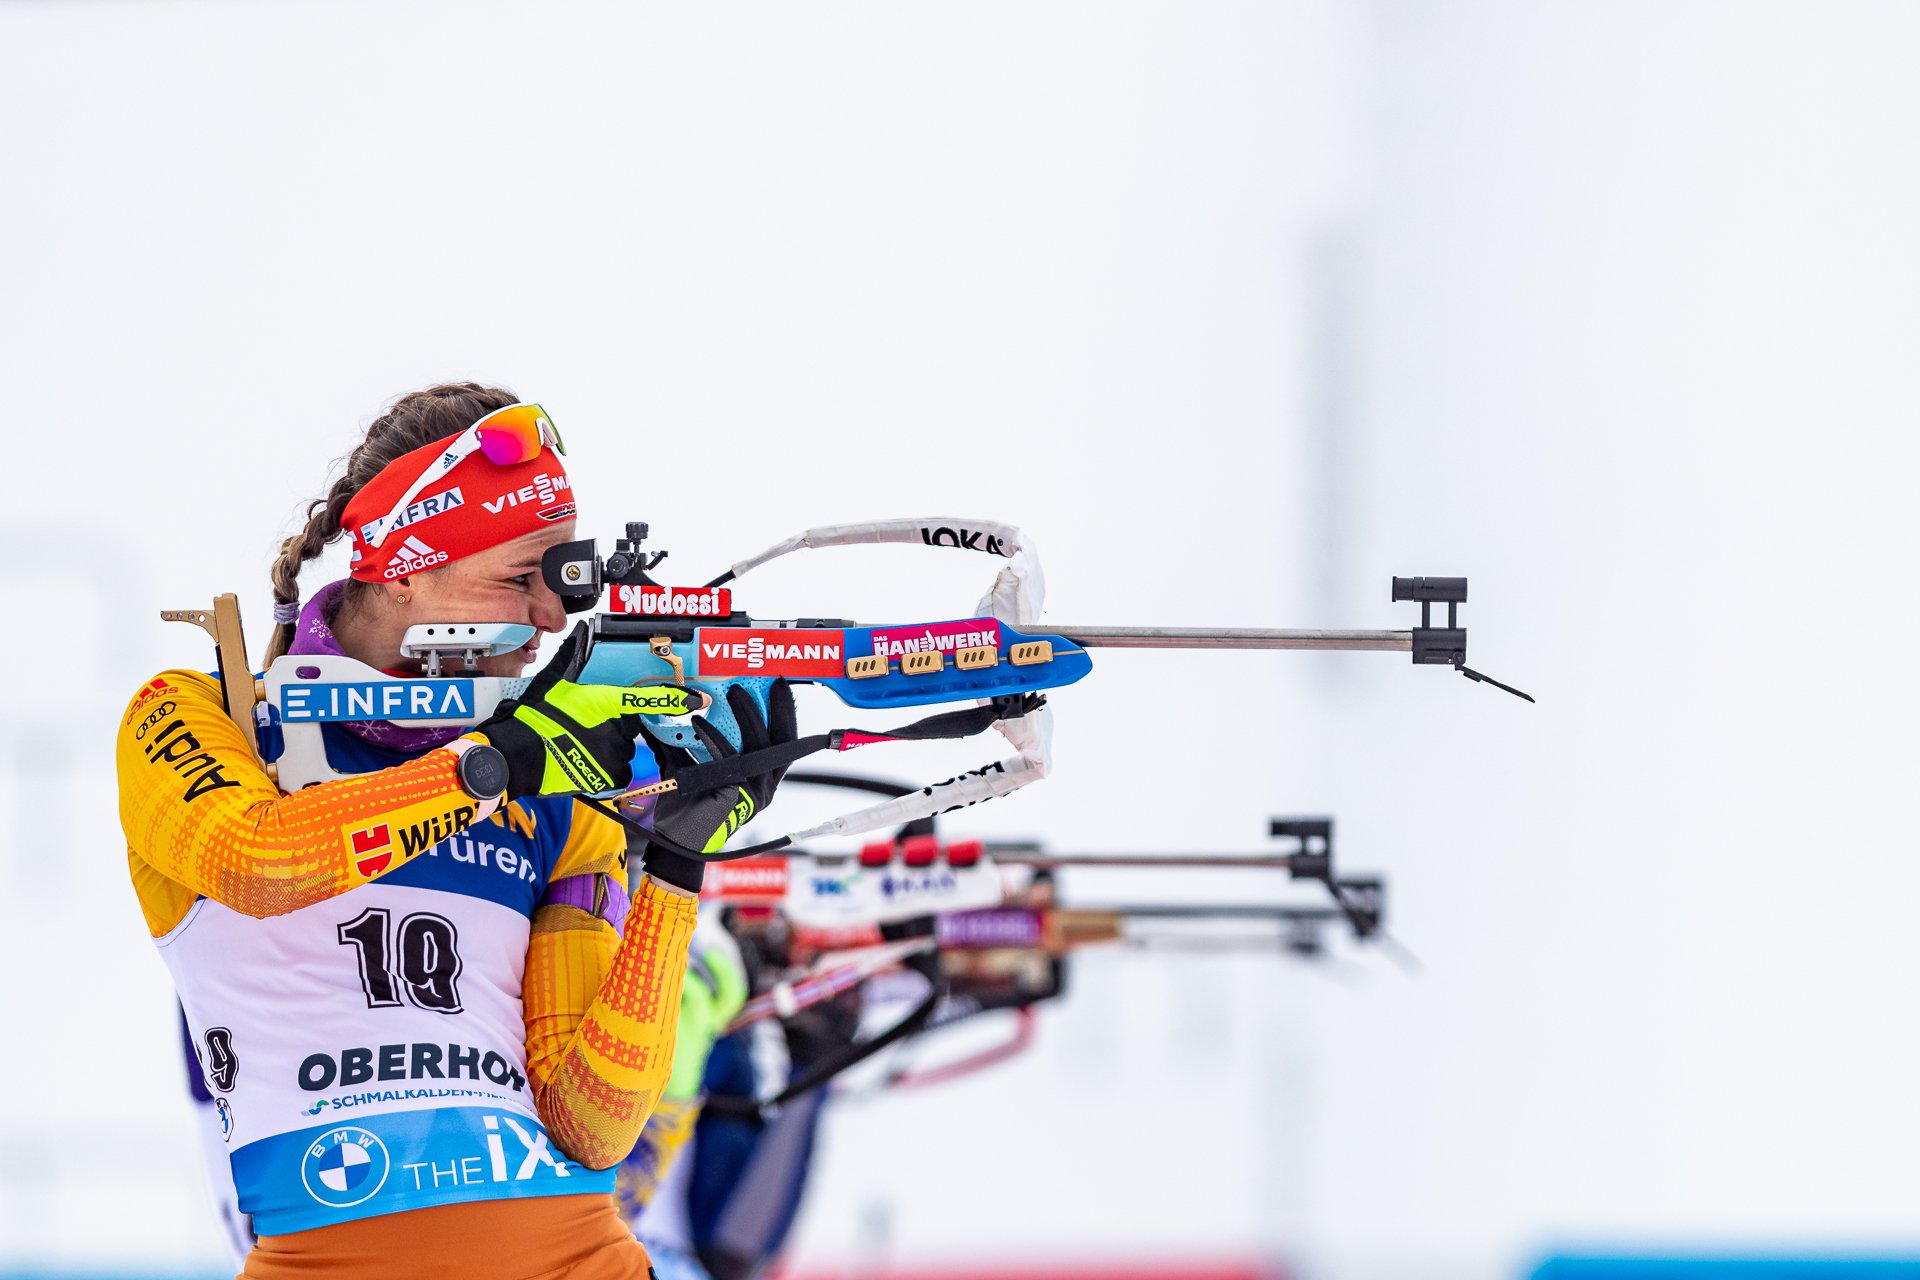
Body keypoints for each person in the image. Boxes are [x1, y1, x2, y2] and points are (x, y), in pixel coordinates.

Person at [116, 384, 794, 1279]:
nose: (553, 617)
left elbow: (594, 1123)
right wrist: (494, 764)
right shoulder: (199, 717)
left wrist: (675, 864)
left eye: (562, 579)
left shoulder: (556, 789)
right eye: (520, 579)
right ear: (403, 568)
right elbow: (259, 861)